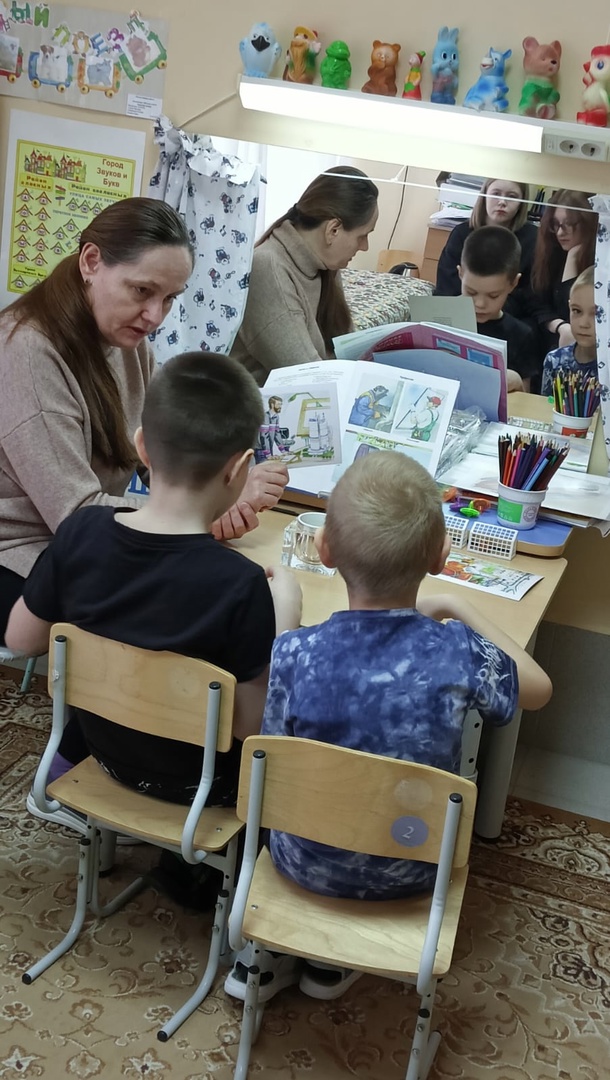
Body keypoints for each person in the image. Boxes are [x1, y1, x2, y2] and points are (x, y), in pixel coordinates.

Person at [224, 451, 552, 1003]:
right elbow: (538, 689)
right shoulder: (457, 651)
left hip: (300, 864)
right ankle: (330, 966)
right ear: (441, 556)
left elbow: (269, 748)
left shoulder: (296, 652)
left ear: (324, 549)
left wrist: (286, 619)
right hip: (412, 871)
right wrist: (453, 605)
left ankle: (279, 952)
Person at [5, 353, 302, 904]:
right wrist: (285, 620)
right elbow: (251, 727)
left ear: (142, 447)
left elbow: (21, 640)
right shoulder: (240, 585)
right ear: (240, 467)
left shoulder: (80, 532)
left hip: (102, 757)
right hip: (204, 789)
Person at [0, 197, 288, 646]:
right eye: (142, 291)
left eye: (170, 298)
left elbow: (165, 455)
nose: (155, 316)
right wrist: (201, 511)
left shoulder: (127, 342)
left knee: (227, 591)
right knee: (218, 607)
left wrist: (219, 488)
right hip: (20, 560)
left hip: (83, 545)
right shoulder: (27, 353)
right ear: (91, 262)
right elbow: (75, 517)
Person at [230, 166, 379, 385]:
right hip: (264, 401)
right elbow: (307, 376)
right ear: (333, 230)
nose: (365, 246)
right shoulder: (268, 269)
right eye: (362, 236)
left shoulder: (326, 266)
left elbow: (345, 349)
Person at [434, 177, 536, 319]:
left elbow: (529, 296)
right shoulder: (461, 233)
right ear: (484, 196)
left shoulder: (532, 238)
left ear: (522, 202)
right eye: (496, 194)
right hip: (459, 313)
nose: (502, 202)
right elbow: (446, 288)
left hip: (506, 318)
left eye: (512, 196)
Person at [459, 226, 540, 392]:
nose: (480, 304)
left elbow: (525, 397)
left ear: (513, 283)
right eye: (471, 292)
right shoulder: (437, 318)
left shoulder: (521, 335)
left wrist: (516, 381)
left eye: (493, 295)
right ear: (460, 274)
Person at [528, 189, 597, 356]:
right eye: (556, 224)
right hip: (553, 340)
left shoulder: (601, 262)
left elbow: (573, 310)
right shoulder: (551, 252)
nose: (560, 232)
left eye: (569, 224)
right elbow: (537, 303)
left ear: (588, 223)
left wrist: (573, 258)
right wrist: (559, 326)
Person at [541, 266, 598, 396]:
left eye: (596, 314)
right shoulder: (555, 361)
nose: (583, 324)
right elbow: (547, 403)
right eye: (577, 311)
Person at [254, 396, 292, 464]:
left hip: (268, 449)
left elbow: (277, 434)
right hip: (261, 450)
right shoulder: (265, 416)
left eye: (281, 404)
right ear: (272, 405)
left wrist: (283, 451)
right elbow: (264, 436)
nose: (280, 406)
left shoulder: (276, 416)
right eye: (278, 404)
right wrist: (268, 454)